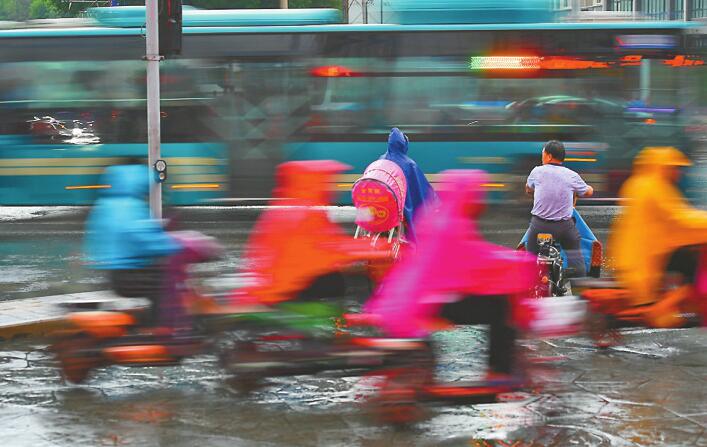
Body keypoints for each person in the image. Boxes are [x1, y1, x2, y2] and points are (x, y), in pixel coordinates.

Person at [364, 170, 538, 379]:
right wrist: (523, 262)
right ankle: (500, 372)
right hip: (425, 304)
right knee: (499, 307)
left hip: (410, 298)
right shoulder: (453, 226)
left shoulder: (436, 219)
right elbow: (480, 258)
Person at [236, 160, 386, 307]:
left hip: (273, 286)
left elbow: (331, 243)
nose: (334, 189)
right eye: (328, 182)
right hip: (284, 291)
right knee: (351, 281)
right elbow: (330, 248)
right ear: (315, 184)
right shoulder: (304, 214)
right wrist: (381, 249)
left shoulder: (289, 207)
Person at [609, 146, 707, 326]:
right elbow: (680, 218)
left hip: (634, 250)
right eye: (675, 168)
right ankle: (662, 310)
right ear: (663, 167)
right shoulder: (654, 187)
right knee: (693, 269)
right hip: (649, 255)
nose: (678, 173)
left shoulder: (638, 183)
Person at [83, 160, 181, 326]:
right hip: (131, 274)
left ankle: (150, 322)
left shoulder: (104, 205)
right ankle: (161, 327)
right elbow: (145, 238)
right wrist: (174, 245)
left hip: (113, 275)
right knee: (168, 284)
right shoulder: (132, 207)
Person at [525, 140, 594, 277]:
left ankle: (529, 284)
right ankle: (578, 285)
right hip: (564, 227)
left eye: (543, 154)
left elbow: (528, 189)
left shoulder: (537, 171)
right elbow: (588, 192)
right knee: (577, 260)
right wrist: (589, 188)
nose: (542, 157)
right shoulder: (571, 175)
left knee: (529, 259)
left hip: (539, 225)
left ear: (549, 156)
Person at [380, 128, 437, 242]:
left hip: (383, 204)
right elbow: (421, 188)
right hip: (401, 208)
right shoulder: (409, 164)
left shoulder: (381, 160)